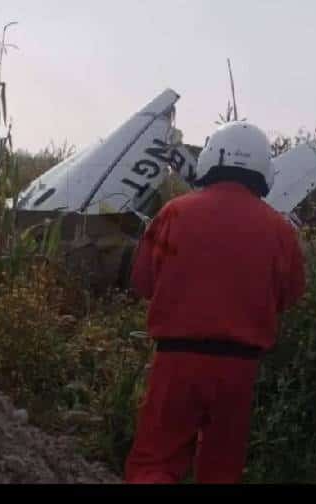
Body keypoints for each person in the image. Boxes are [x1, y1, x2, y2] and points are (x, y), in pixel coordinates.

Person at [124, 121, 306, 484]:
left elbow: (143, 282)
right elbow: (291, 295)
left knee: (156, 462)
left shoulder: (174, 213)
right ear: (262, 169)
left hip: (176, 362)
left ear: (212, 158)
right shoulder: (280, 229)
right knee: (221, 469)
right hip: (238, 369)